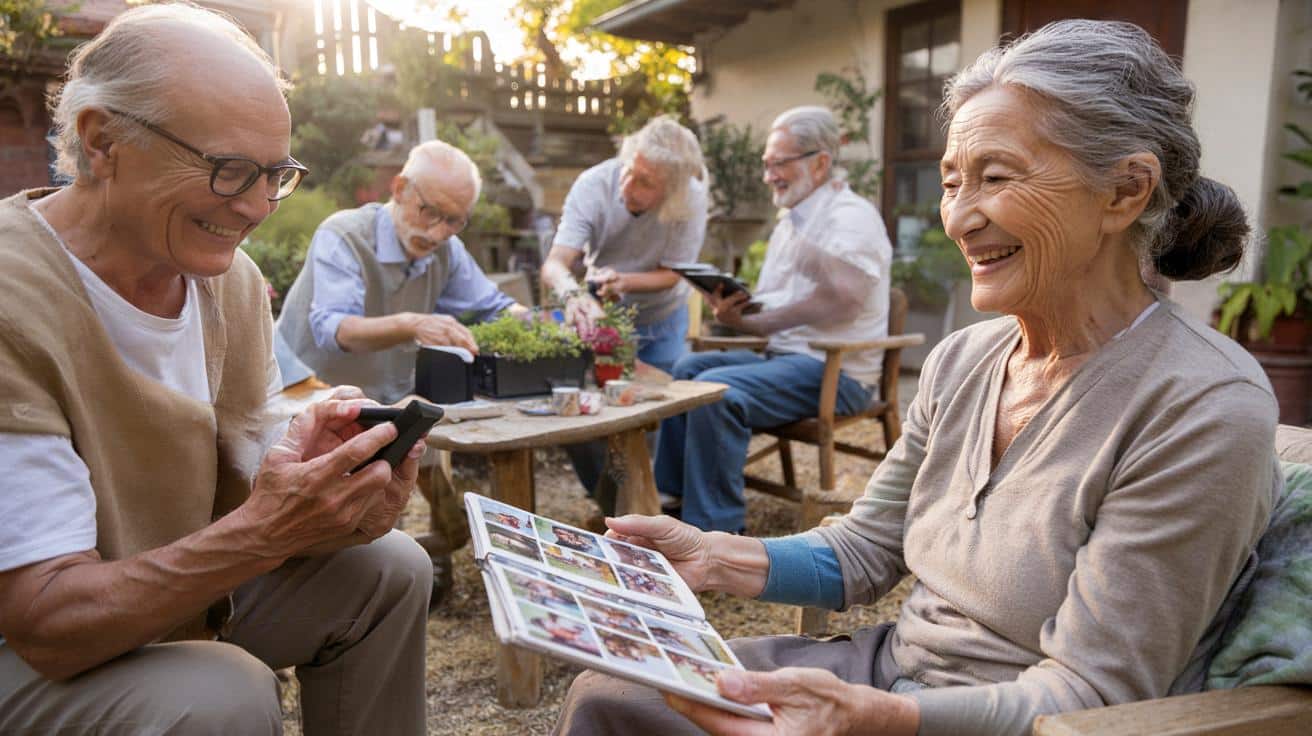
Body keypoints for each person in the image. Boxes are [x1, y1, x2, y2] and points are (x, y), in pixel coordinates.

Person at [554, 20, 1281, 736]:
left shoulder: (1200, 406)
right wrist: (708, 554)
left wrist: (881, 718)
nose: (959, 219)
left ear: (1125, 191)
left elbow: (1091, 693)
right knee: (609, 694)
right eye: (951, 182)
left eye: (996, 178)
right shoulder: (963, 361)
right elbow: (864, 551)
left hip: (1002, 721)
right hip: (889, 673)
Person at [0, 6, 432, 735]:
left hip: (163, 596)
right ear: (102, 142)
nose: (258, 207)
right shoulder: (13, 300)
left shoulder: (227, 281)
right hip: (27, 649)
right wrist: (264, 532)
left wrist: (327, 487)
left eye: (275, 175)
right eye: (230, 170)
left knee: (390, 569)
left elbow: (245, 461)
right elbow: (47, 622)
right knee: (221, 694)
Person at [276, 139, 530, 609]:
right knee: (337, 494)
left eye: (455, 221)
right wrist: (414, 323)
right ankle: (332, 588)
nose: (437, 231)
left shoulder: (446, 249)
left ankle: (421, 557)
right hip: (307, 384)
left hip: (385, 385)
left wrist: (548, 323)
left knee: (408, 459)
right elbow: (334, 329)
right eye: (430, 212)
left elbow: (495, 306)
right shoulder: (344, 234)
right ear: (398, 189)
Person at [657, 106, 893, 533]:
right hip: (784, 359)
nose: (769, 176)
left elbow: (846, 300)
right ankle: (673, 502)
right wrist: (738, 308)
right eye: (766, 164)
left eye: (778, 164)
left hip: (835, 372)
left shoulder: (850, 216)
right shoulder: (791, 222)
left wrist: (764, 323)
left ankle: (716, 531)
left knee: (717, 393)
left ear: (820, 163)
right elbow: (779, 303)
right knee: (687, 369)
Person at [540, 115, 710, 501]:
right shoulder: (593, 185)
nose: (628, 185)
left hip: (662, 318)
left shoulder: (691, 198)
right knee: (584, 412)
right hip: (602, 319)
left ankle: (658, 504)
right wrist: (573, 295)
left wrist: (625, 281)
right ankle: (609, 499)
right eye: (630, 170)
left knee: (662, 414)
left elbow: (674, 273)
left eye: (646, 182)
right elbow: (555, 265)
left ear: (672, 192)